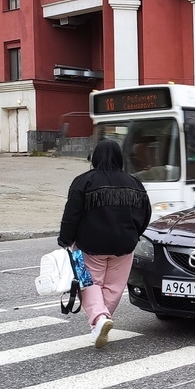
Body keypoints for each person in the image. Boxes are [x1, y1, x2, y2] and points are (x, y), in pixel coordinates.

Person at [58, 140, 152, 348]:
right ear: (120, 158)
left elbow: (72, 214)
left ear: (95, 157)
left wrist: (65, 239)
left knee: (88, 283)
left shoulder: (84, 181)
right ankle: (101, 321)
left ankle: (99, 319)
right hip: (124, 245)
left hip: (89, 245)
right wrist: (134, 234)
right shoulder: (134, 183)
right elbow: (146, 214)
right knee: (114, 287)